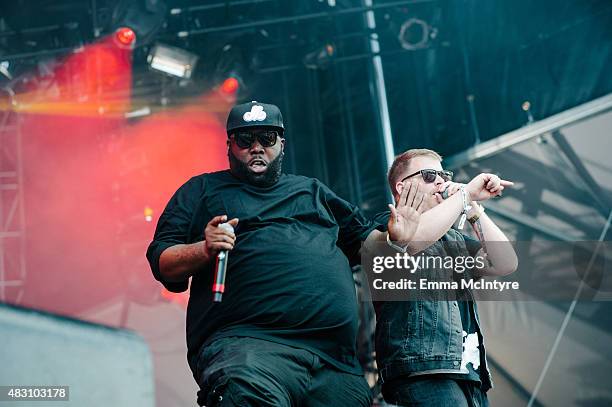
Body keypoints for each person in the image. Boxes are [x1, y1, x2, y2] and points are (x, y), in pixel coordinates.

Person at [146, 101, 422, 406]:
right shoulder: (201, 191)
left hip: (334, 365)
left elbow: (367, 246)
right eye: (244, 140)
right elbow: (163, 261)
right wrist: (205, 247)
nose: (256, 148)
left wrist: (396, 238)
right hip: (249, 350)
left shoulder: (312, 192)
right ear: (229, 145)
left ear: (281, 143)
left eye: (266, 139)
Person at [373, 148, 518, 407]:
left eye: (444, 174)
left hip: (468, 374)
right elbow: (414, 242)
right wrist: (465, 194)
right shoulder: (387, 227)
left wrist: (473, 208)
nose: (441, 181)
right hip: (423, 370)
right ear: (401, 187)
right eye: (429, 175)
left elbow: (505, 262)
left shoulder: (453, 239)